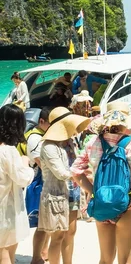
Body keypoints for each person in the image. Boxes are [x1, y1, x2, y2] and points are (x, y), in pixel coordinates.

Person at [71, 109, 131, 264]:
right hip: (126, 205)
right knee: (126, 260)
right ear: (125, 124)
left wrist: (92, 192)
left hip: (101, 204)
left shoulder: (93, 142)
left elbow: (75, 171)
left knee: (105, 259)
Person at [38, 107, 91, 264]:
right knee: (58, 236)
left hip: (72, 193)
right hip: (56, 195)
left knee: (71, 232)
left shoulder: (70, 142)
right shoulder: (48, 146)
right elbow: (60, 172)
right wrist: (82, 172)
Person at [0, 104, 35, 264]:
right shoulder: (8, 151)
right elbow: (22, 178)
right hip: (6, 209)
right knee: (5, 253)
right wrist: (26, 163)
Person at [20, 107, 51, 264]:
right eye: (50, 123)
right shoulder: (34, 138)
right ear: (41, 121)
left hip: (45, 181)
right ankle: (36, 257)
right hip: (39, 183)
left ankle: (44, 252)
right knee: (42, 223)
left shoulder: (43, 135)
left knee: (47, 223)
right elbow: (41, 163)